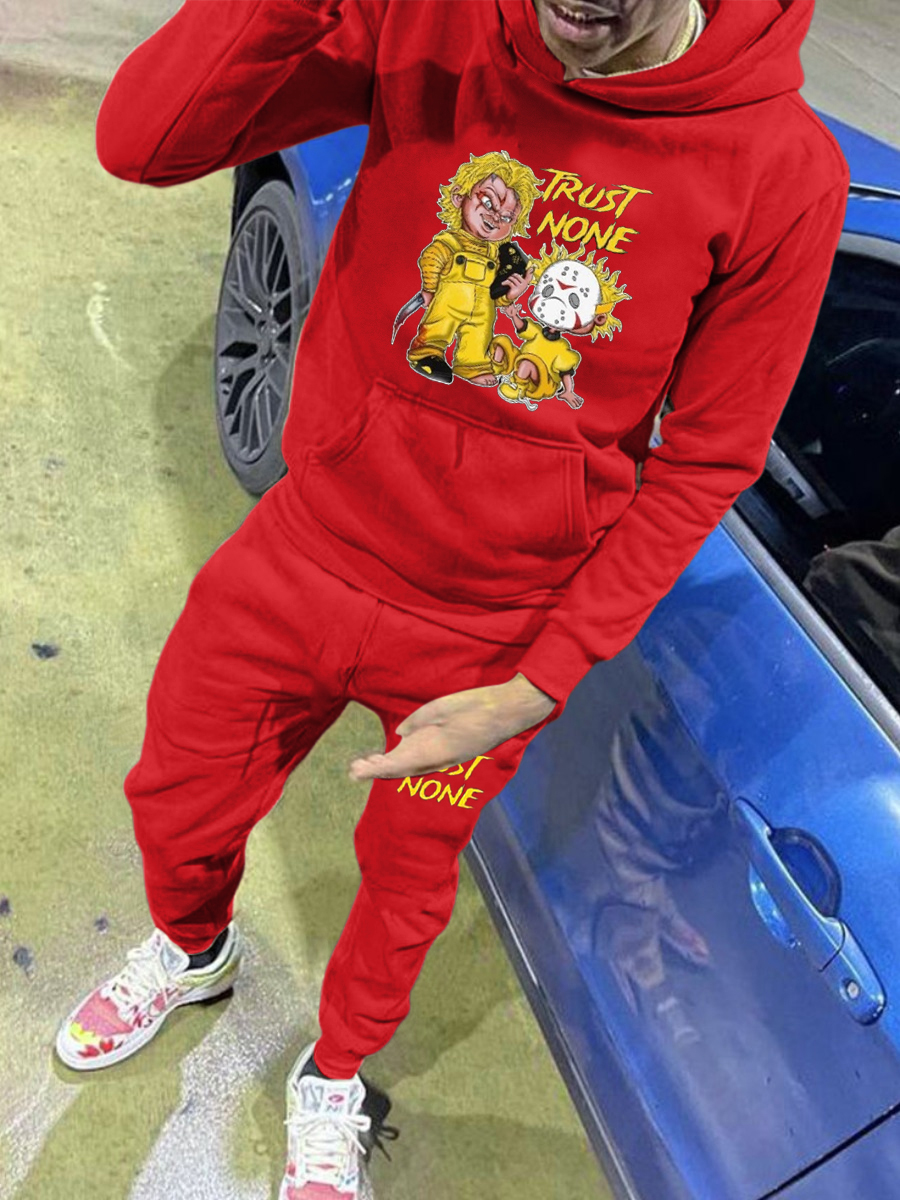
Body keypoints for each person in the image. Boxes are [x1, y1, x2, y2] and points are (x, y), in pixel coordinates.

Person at [54, 0, 850, 1195]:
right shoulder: (433, 23)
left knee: (406, 887)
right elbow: (142, 141)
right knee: (176, 798)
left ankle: (335, 1073)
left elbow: (708, 460)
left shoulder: (781, 165)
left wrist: (535, 686)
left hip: (487, 638)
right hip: (308, 550)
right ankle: (192, 947)